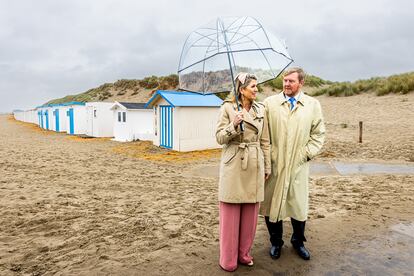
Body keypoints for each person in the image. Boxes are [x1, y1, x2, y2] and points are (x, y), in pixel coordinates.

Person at [260, 67, 325, 260]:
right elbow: (261, 131)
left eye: (291, 81)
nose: (287, 84)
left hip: (298, 165)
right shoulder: (269, 104)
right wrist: (269, 156)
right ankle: (276, 243)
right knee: (271, 205)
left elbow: (318, 134)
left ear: (301, 83)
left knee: (298, 206)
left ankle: (298, 242)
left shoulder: (312, 105)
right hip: (274, 164)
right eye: (285, 81)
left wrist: (305, 154)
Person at [215, 72, 271, 272]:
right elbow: (220, 138)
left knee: (250, 214)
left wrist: (267, 166)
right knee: (230, 213)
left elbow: (265, 140)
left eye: (257, 86)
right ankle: (228, 258)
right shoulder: (227, 107)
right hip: (233, 162)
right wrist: (234, 124)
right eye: (253, 86)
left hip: (255, 161)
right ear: (241, 89)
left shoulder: (261, 109)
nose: (256, 90)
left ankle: (244, 254)